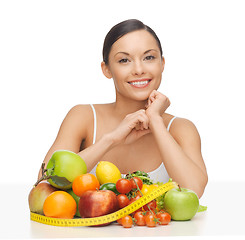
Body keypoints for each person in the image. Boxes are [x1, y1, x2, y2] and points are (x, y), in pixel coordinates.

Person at [38, 19, 208, 198]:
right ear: (107, 69)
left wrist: (156, 121)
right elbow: (44, 185)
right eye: (124, 60)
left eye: (149, 57)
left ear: (162, 63)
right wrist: (111, 140)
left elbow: (194, 190)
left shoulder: (181, 128)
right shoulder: (83, 117)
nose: (139, 69)